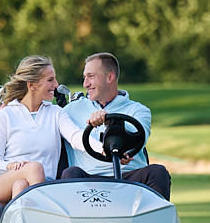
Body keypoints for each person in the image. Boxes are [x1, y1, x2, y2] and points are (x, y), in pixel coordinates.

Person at [60, 52, 171, 199]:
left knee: (158, 172)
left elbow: (138, 139)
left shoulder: (138, 110)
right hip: (89, 179)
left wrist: (110, 122)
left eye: (91, 77)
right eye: (85, 77)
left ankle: (155, 220)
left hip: (130, 177)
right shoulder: (71, 110)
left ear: (110, 77)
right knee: (70, 173)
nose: (85, 84)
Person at [0, 55, 84, 204]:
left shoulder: (56, 113)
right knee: (34, 168)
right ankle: (40, 220)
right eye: (50, 80)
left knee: (21, 185)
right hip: (1, 180)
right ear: (32, 85)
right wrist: (10, 166)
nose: (56, 85)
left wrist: (102, 149)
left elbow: (76, 137)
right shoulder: (5, 114)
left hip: (43, 183)